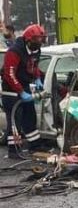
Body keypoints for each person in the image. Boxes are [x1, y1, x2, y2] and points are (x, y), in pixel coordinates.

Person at [2, 24, 45, 158]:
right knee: (15, 121)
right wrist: (21, 92)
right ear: (28, 39)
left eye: (41, 40)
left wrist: (37, 78)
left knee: (30, 117)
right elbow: (10, 74)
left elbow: (34, 66)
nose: (39, 43)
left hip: (25, 87)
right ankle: (14, 150)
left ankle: (35, 145)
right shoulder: (14, 51)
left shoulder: (35, 50)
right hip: (11, 91)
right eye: (36, 40)